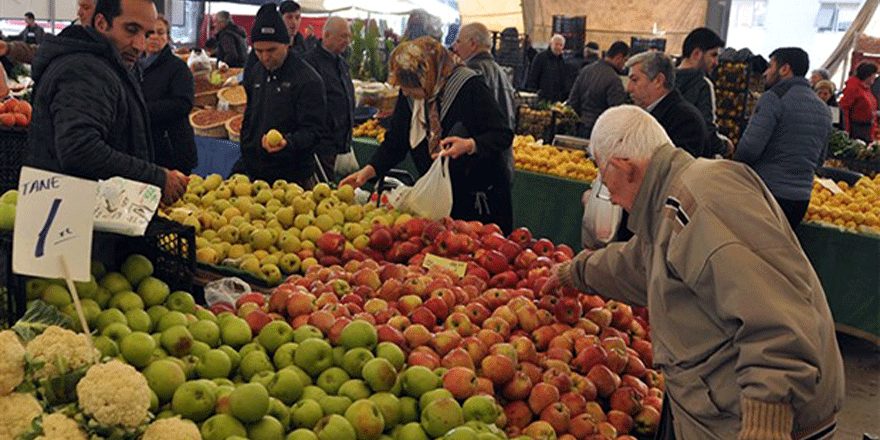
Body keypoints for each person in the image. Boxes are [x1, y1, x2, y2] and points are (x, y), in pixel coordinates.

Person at [541, 104, 844, 440]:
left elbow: (775, 314)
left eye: (603, 175)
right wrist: (575, 272)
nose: (608, 195)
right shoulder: (671, 200)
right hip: (719, 409)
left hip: (758, 423)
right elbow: (640, 263)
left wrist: (765, 422)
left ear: (624, 167)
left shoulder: (705, 200)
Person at [341, 37, 514, 233]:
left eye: (411, 88)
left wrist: (469, 144)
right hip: (440, 198)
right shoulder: (413, 91)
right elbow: (397, 140)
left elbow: (502, 133)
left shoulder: (469, 86)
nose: (406, 93)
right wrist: (369, 171)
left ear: (428, 75)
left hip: (478, 199)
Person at [27, 0, 188, 205]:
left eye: (146, 34)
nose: (140, 45)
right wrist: (156, 177)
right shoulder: (86, 69)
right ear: (101, 23)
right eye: (131, 30)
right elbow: (80, 149)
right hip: (74, 220)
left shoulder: (104, 64)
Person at [735, 47, 831, 229]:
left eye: (771, 66)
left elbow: (749, 149)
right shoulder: (823, 108)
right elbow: (820, 159)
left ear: (785, 69)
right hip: (801, 200)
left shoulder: (774, 98)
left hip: (767, 194)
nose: (765, 73)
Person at [232, 3, 325, 189]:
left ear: (286, 44)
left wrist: (288, 143)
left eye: (272, 50)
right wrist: (248, 144)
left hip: (291, 179)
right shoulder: (256, 72)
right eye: (259, 51)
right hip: (254, 172)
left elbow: (315, 131)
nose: (265, 57)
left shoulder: (308, 79)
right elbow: (250, 115)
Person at [452, 22, 516, 184]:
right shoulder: (502, 73)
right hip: (502, 163)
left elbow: (461, 124)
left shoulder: (470, 74)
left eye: (458, 41)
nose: (454, 47)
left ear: (473, 43)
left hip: (475, 167)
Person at [140, 15, 197, 174]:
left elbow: (183, 104)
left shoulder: (178, 68)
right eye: (149, 33)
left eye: (160, 33)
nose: (154, 37)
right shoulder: (133, 67)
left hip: (173, 149)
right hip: (145, 151)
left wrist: (142, 110)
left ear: (168, 37)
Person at [625, 51, 708, 158]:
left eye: (635, 80)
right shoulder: (647, 112)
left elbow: (676, 168)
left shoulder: (686, 120)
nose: (628, 88)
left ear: (658, 80)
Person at [303, 17, 355, 181]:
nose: (347, 41)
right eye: (342, 36)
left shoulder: (341, 62)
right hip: (322, 145)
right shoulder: (310, 63)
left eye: (348, 36)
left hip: (340, 141)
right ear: (326, 35)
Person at [675, 27, 731, 156]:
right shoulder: (704, 85)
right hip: (694, 161)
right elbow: (707, 132)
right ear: (696, 54)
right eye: (713, 55)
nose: (716, 62)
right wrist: (725, 146)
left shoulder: (665, 80)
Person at [567, 40, 629, 138]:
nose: (624, 65)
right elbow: (617, 111)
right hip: (600, 132)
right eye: (625, 60)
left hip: (581, 127)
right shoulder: (614, 80)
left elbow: (573, 100)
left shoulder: (586, 70)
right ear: (618, 57)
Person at [839, 61, 878, 142]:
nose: (875, 77)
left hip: (867, 130)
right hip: (856, 130)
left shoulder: (867, 90)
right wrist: (846, 130)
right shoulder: (854, 88)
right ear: (868, 75)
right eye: (874, 75)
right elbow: (845, 109)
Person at [525, 34, 568, 103]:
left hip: (556, 99)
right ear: (551, 44)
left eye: (561, 45)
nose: (558, 47)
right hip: (542, 98)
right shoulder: (540, 57)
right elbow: (533, 77)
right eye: (556, 44)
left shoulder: (562, 61)